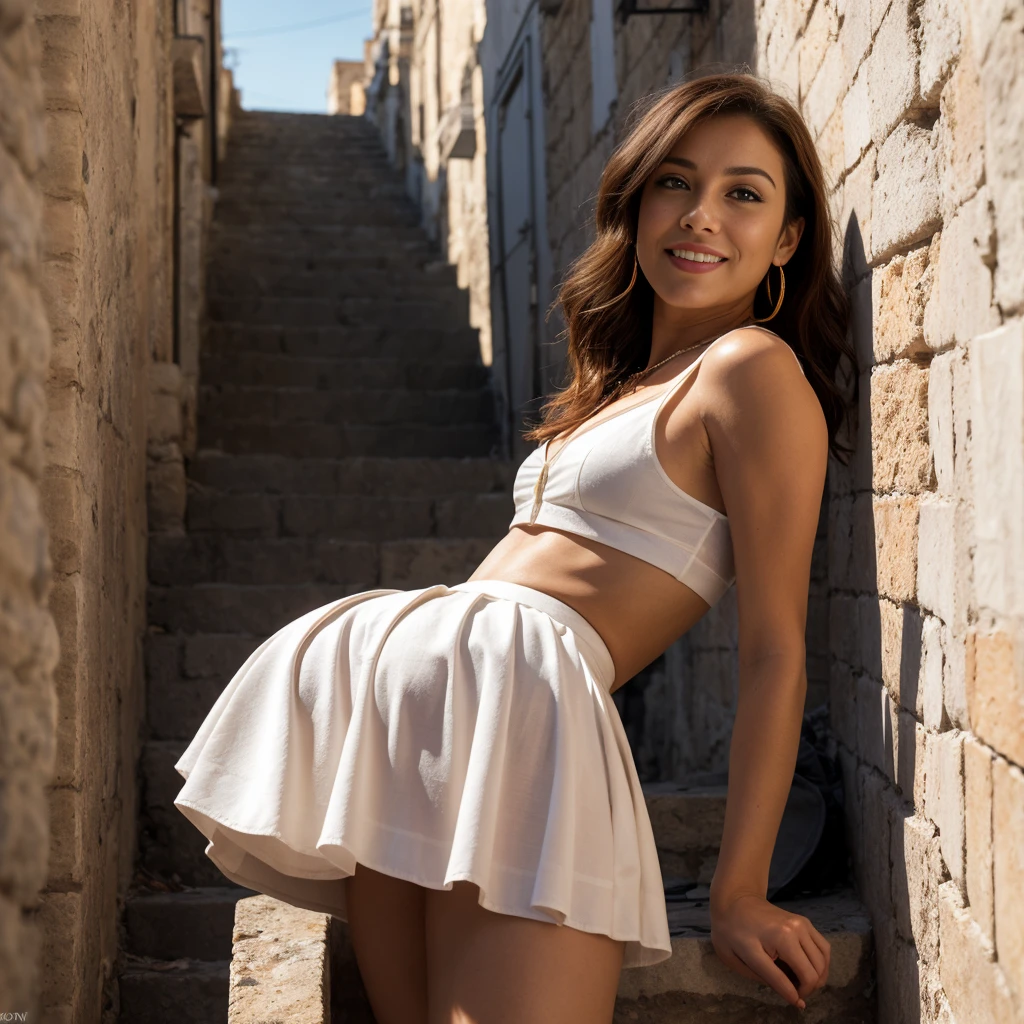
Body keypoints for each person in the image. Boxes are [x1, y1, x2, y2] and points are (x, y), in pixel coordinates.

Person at [173, 72, 855, 1023]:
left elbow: (777, 651)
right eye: (675, 182)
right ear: (637, 200)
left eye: (744, 193)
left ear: (786, 238)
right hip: (413, 707)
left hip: (521, 708)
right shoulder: (618, 386)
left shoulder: (751, 369)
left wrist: (739, 890)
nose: (701, 216)